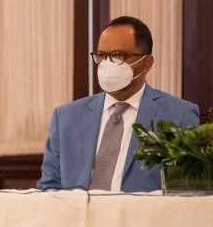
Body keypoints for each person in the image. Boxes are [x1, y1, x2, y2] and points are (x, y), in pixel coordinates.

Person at [37, 16, 199, 192]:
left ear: (146, 64)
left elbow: (186, 192)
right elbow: (49, 188)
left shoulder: (178, 117)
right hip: (78, 209)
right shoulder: (66, 118)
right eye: (101, 55)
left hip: (140, 210)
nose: (108, 64)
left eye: (118, 55)